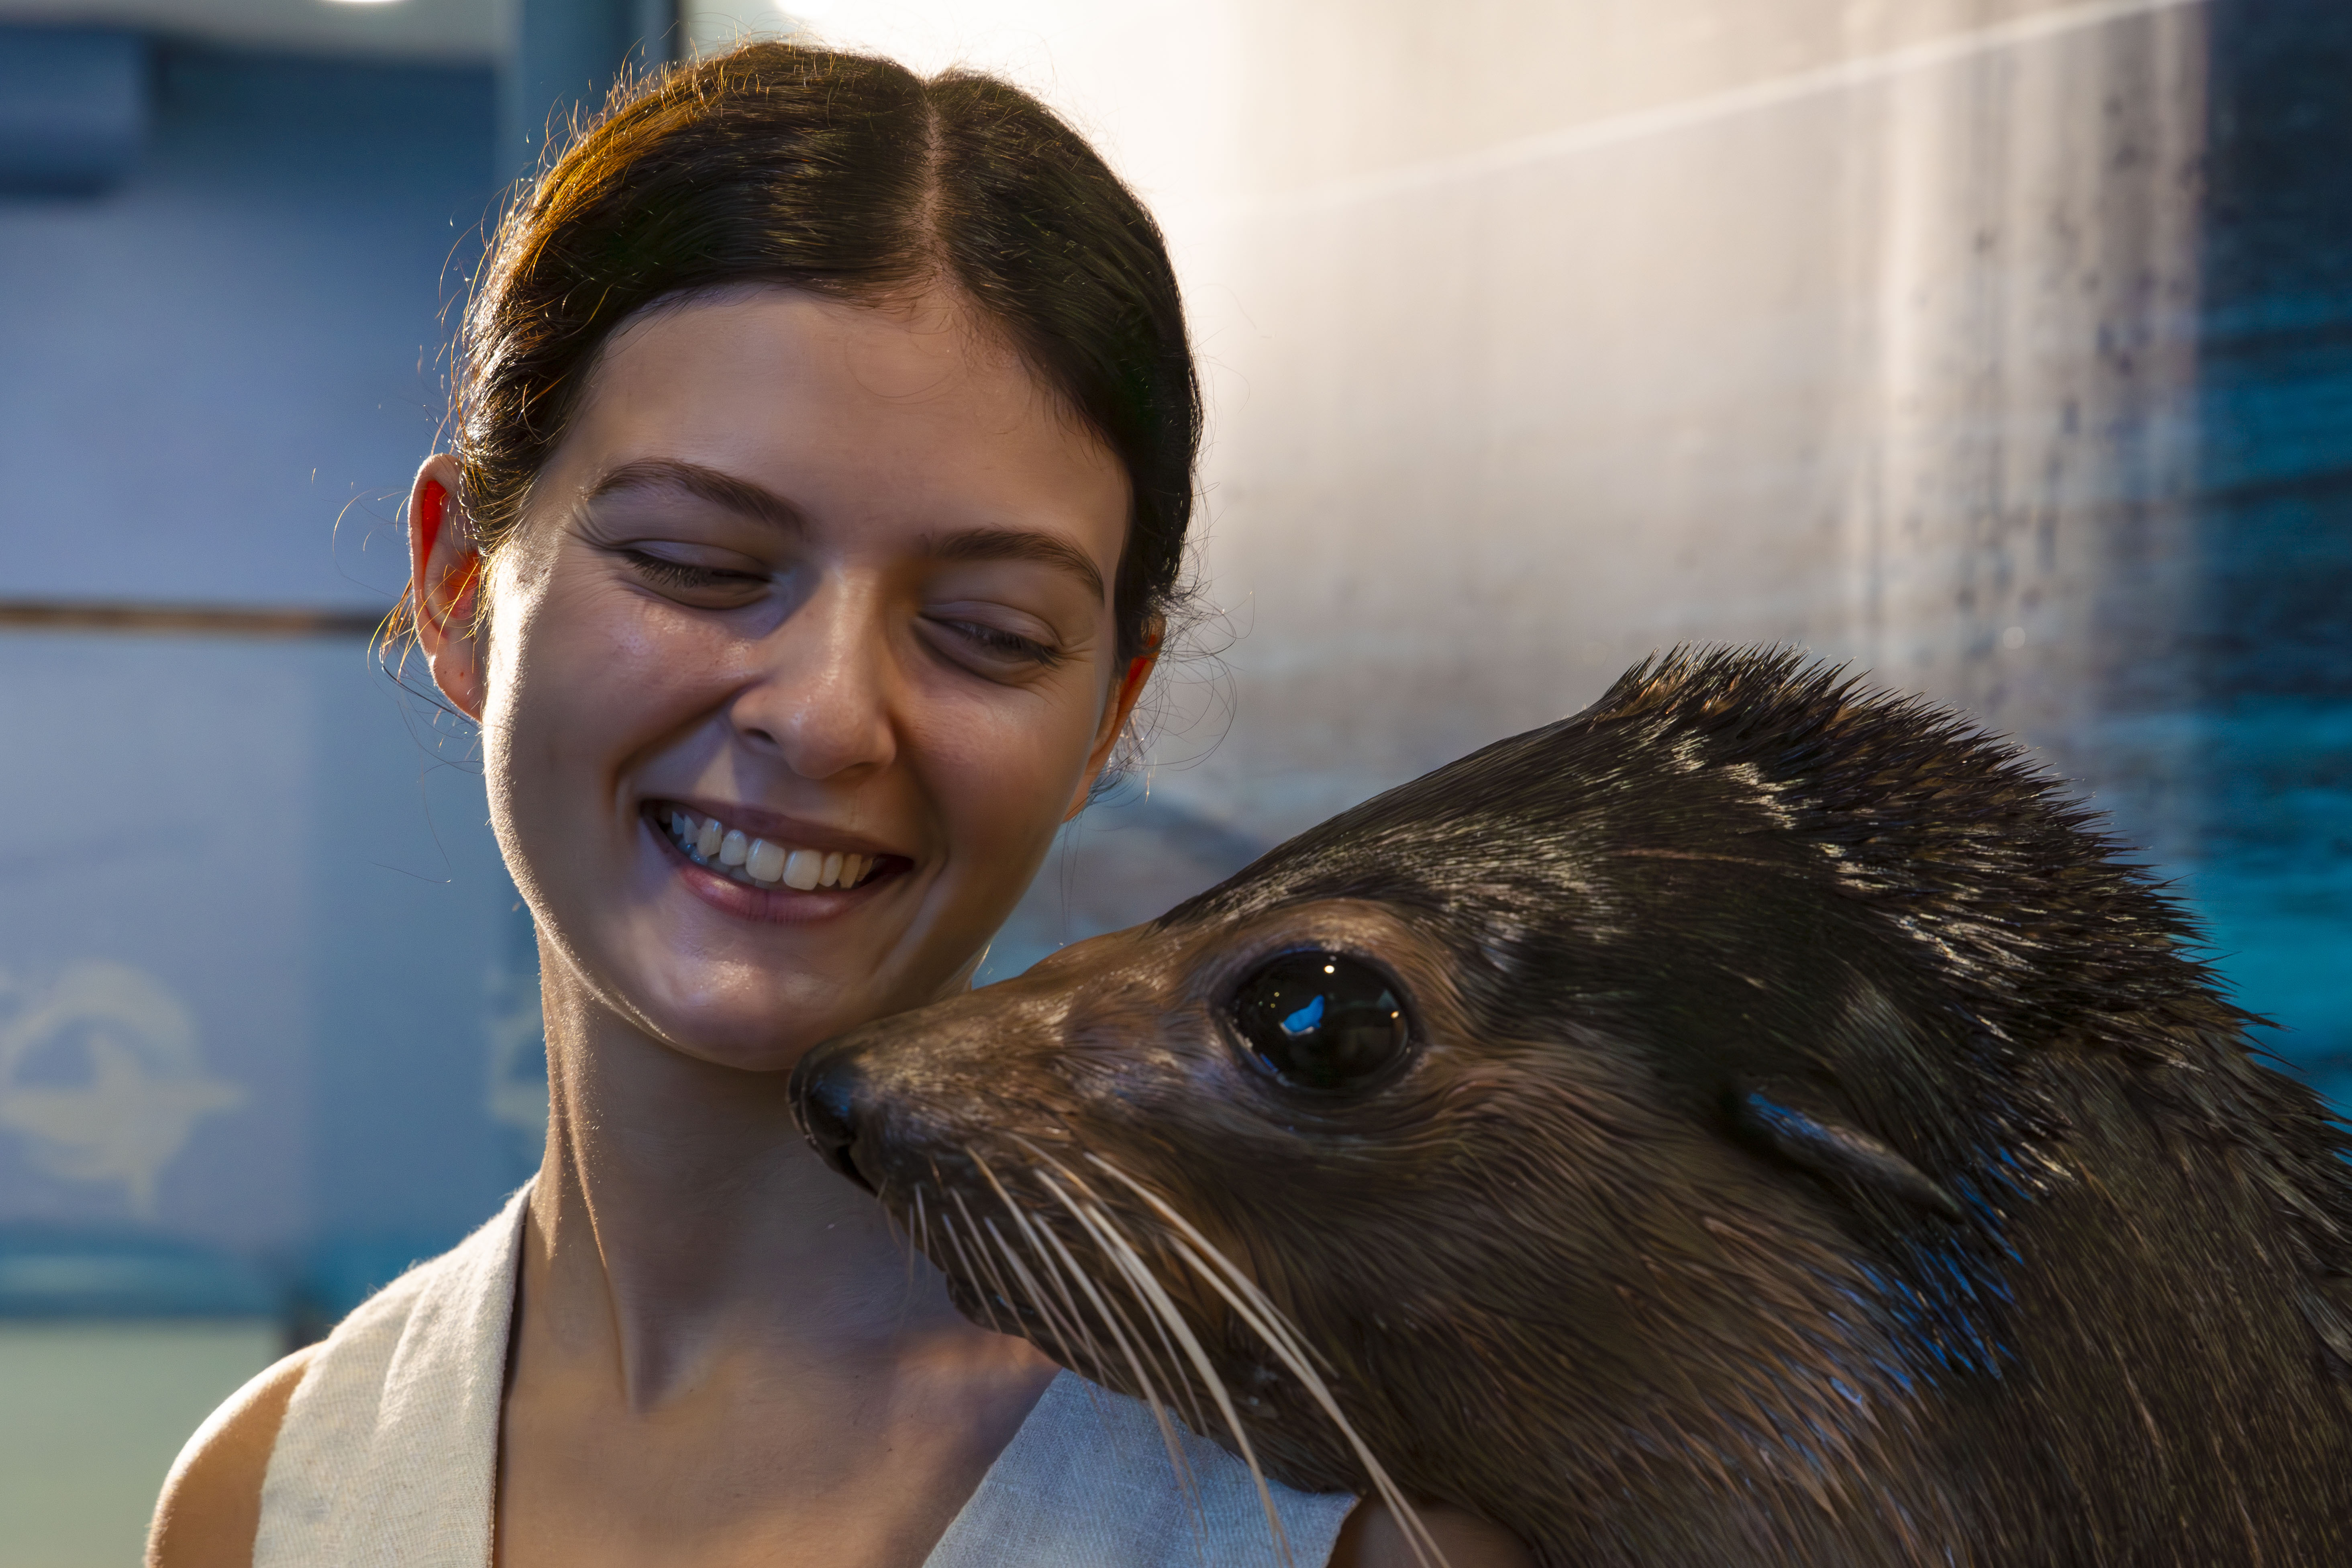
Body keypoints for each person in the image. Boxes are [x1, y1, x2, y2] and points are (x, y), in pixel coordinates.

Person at [145, 42, 1532, 1568]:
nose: (821, 715)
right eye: (698, 563)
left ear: (1104, 719)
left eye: (991, 633)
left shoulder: (1334, 1528)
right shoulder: (278, 1502)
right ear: (461, 586)